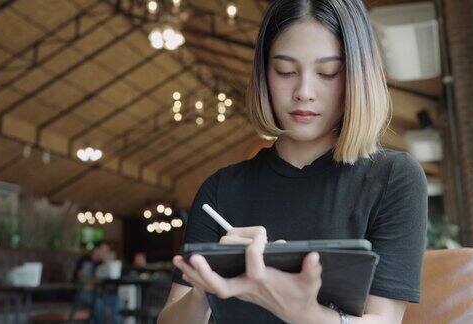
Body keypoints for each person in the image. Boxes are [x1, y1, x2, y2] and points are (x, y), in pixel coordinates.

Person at [158, 0, 428, 323]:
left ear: (357, 76)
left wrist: (301, 312)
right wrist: (209, 285)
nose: (304, 92)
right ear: (264, 74)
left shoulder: (393, 179)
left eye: (328, 73)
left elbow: (384, 321)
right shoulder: (220, 190)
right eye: (285, 71)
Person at [73, 242, 122, 324]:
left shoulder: (101, 264)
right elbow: (83, 279)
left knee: (116, 300)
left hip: (99, 292)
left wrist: (108, 262)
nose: (104, 253)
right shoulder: (86, 260)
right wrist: (94, 280)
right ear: (96, 250)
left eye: (106, 251)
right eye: (103, 250)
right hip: (83, 292)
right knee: (98, 303)